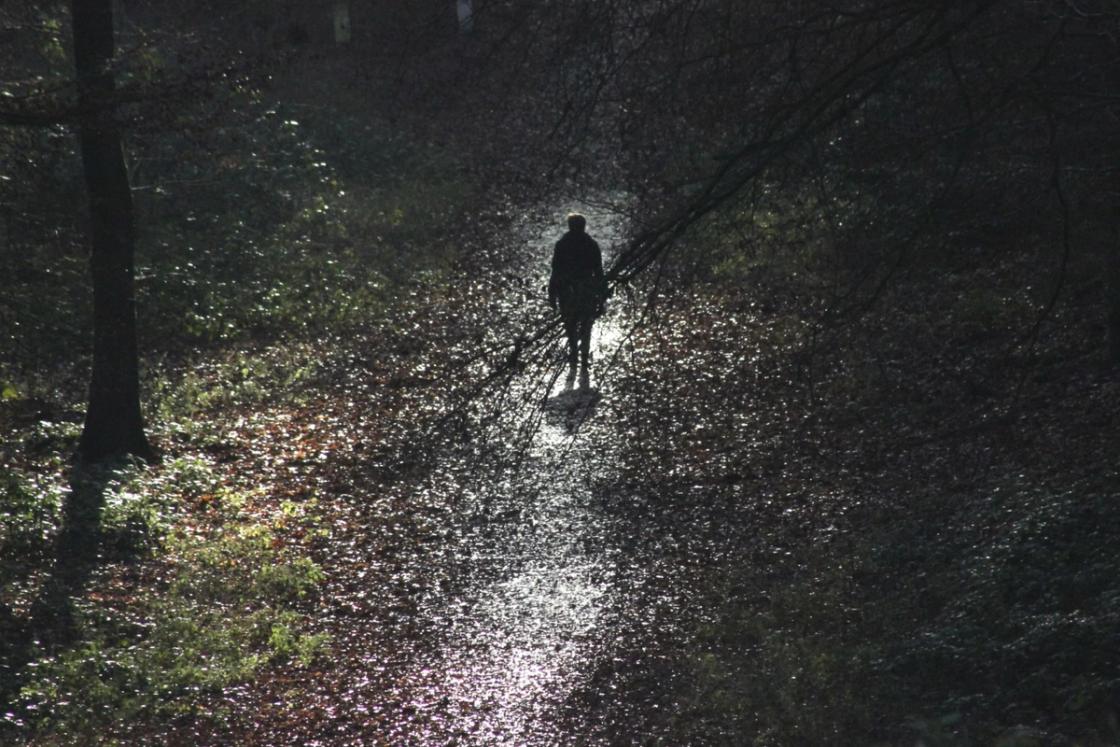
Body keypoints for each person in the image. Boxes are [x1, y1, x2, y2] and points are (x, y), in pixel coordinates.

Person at [548, 213, 606, 371]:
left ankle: (574, 353)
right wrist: (602, 294)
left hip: (566, 289)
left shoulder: (562, 244)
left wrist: (551, 294)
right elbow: (599, 271)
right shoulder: (591, 244)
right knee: (586, 324)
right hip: (587, 288)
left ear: (569, 226)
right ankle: (584, 356)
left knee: (570, 323)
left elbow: (555, 271)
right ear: (584, 226)